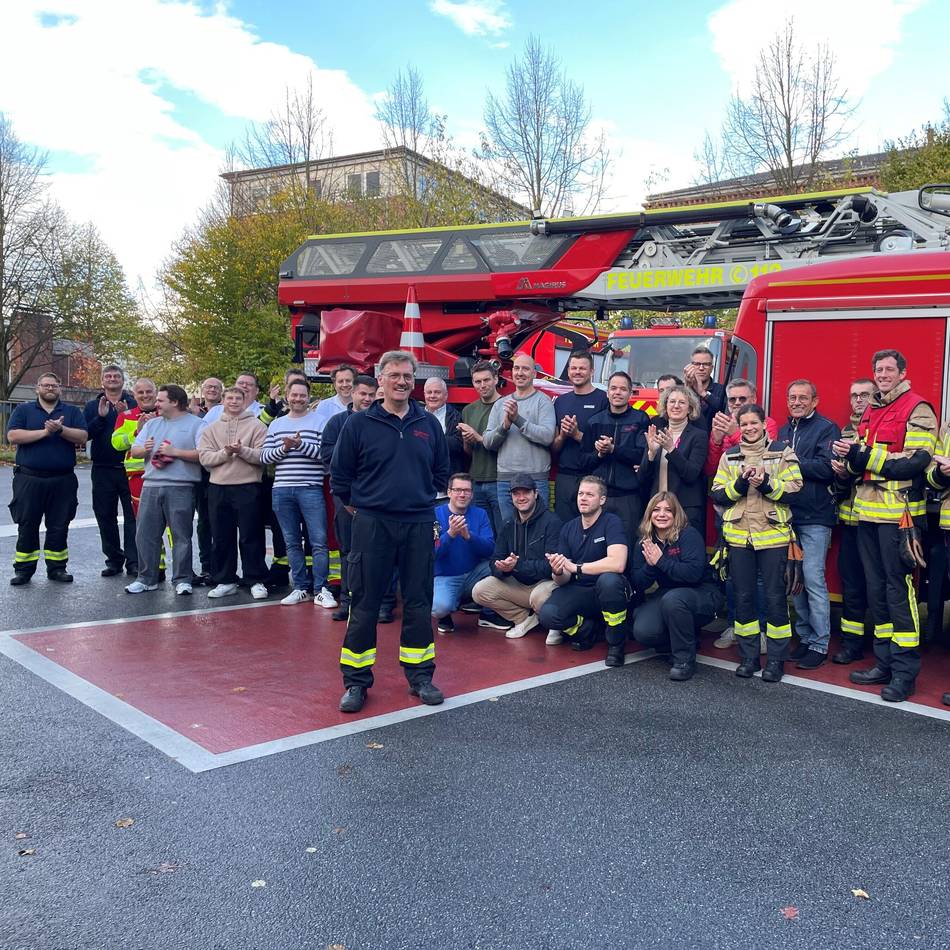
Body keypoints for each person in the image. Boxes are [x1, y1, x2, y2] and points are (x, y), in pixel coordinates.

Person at [331, 349, 450, 713]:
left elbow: (441, 474)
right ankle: (356, 682)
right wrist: (366, 508)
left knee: (418, 602)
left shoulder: (428, 424)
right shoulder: (358, 424)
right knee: (364, 603)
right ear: (380, 379)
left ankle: (420, 676)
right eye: (394, 375)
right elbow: (340, 478)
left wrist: (414, 499)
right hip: (373, 524)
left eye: (407, 376)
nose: (401, 382)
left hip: (417, 523)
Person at [834, 349, 937, 703]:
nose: (883, 375)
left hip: (898, 519)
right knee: (876, 592)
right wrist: (847, 463)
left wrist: (862, 457)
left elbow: (915, 462)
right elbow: (861, 462)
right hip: (866, 516)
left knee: (899, 593)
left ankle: (905, 673)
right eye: (878, 370)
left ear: (902, 373)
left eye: (889, 369)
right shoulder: (871, 410)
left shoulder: (917, 408)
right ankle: (884, 663)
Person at [710, 404, 802, 682]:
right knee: (743, 598)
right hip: (739, 538)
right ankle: (749, 657)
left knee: (775, 599)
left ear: (764, 424)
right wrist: (739, 483)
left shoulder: (782, 452)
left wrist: (766, 483)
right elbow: (717, 493)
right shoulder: (729, 456)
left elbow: (795, 490)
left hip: (773, 538)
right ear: (739, 428)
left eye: (754, 423)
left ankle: (776, 660)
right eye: (744, 424)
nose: (749, 428)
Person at [707, 378, 778, 651]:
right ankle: (735, 626)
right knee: (731, 572)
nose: (736, 404)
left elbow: (762, 457)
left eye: (742, 399)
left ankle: (761, 629)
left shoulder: (765, 423)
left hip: (760, 516)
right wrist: (716, 441)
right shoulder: (724, 425)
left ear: (754, 398)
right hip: (729, 513)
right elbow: (711, 469)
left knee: (758, 578)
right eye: (732, 400)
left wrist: (735, 432)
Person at [775, 379, 840, 669]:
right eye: (792, 397)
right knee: (796, 580)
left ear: (815, 401)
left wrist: (791, 462)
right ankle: (804, 636)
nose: (797, 402)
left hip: (816, 517)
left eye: (803, 397)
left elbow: (827, 469)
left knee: (813, 578)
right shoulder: (784, 431)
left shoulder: (827, 428)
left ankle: (819, 643)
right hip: (789, 517)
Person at [320, 374, 393, 622]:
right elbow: (328, 455)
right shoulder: (336, 423)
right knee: (349, 551)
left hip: (379, 496)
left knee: (382, 550)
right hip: (346, 496)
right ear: (352, 393)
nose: (367, 399)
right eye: (363, 393)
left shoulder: (385, 421)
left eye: (372, 395)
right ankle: (348, 602)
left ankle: (384, 603)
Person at [538, 476, 630, 667]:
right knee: (548, 615)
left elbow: (618, 563)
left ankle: (616, 643)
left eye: (589, 494)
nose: (583, 498)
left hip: (609, 590)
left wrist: (578, 568)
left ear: (602, 500)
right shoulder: (568, 527)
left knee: (609, 581)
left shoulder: (612, 522)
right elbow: (563, 579)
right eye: (581, 494)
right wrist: (558, 571)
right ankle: (587, 630)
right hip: (581, 589)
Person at [630, 492, 723, 680]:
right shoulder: (644, 541)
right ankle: (685, 638)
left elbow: (693, 574)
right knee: (643, 631)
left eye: (668, 510)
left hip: (702, 593)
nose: (661, 514)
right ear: (649, 514)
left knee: (674, 600)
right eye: (656, 510)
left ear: (676, 514)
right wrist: (651, 565)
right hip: (668, 595)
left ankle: (684, 660)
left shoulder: (688, 534)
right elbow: (638, 582)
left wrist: (661, 561)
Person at [260, 380, 336, 609]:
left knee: (319, 542)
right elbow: (265, 457)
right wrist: (285, 448)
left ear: (308, 397)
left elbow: (325, 456)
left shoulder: (320, 422)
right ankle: (300, 587)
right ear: (287, 396)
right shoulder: (276, 424)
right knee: (291, 542)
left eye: (302, 395)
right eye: (294, 395)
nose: (298, 399)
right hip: (281, 489)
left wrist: (300, 445)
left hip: (311, 487)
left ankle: (321, 589)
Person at [8, 373, 87, 585]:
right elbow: (13, 436)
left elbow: (82, 437)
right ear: (37, 388)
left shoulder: (71, 412)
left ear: (60, 388)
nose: (50, 388)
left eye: (54, 385)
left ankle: (57, 568)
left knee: (59, 525)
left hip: (63, 479)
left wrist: (60, 429)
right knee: (27, 524)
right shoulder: (23, 410)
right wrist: (44, 432)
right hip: (29, 478)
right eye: (45, 385)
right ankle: (24, 570)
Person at [127, 384, 203, 595]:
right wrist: (144, 449)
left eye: (160, 400)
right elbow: (135, 449)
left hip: (181, 486)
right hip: (151, 485)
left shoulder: (197, 424)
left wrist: (175, 452)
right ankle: (146, 579)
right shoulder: (152, 424)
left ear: (175, 402)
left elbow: (203, 454)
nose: (156, 403)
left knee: (181, 535)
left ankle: (182, 579)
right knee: (146, 535)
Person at [197, 386, 269, 600]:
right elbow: (205, 458)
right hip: (219, 487)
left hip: (248, 486)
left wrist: (242, 451)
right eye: (230, 398)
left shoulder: (257, 426)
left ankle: (255, 579)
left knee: (251, 535)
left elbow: (262, 456)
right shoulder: (211, 429)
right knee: (221, 536)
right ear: (223, 401)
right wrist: (226, 453)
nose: (234, 401)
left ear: (245, 400)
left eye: (238, 398)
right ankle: (225, 580)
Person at [472, 474, 562, 641]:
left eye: (526, 492)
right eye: (516, 493)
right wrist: (502, 568)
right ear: (511, 497)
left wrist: (517, 566)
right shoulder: (508, 524)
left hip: (545, 584)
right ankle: (523, 619)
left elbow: (551, 567)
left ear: (536, 493)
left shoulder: (552, 522)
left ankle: (553, 624)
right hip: (518, 584)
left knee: (539, 597)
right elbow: (495, 559)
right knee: (480, 590)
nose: (521, 498)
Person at [830, 378, 874, 664]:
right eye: (854, 395)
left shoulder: (878, 430)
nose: (858, 400)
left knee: (879, 587)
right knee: (852, 585)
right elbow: (840, 483)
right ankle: (851, 643)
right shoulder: (846, 432)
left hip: (877, 521)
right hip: (850, 522)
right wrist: (842, 476)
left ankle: (882, 647)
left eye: (864, 395)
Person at [483, 352, 556, 523]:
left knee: (538, 529)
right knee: (509, 530)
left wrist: (518, 419)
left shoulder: (543, 402)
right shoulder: (500, 404)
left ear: (534, 374)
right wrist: (504, 427)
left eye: (525, 369)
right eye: (516, 368)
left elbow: (547, 436)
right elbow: (487, 442)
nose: (520, 373)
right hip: (505, 481)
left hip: (535, 479)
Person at [579, 371, 649, 540]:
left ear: (630, 394)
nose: (618, 392)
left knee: (627, 543)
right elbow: (583, 462)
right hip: (599, 497)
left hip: (628, 497)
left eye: (623, 389)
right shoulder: (594, 421)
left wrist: (613, 449)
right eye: (614, 388)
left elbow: (642, 456)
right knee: (597, 545)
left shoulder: (641, 419)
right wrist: (599, 454)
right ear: (607, 392)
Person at [83, 365, 138, 578]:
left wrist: (124, 415)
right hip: (102, 469)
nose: (112, 379)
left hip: (129, 469)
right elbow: (86, 435)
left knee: (133, 517)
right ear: (102, 381)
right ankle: (114, 560)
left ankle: (134, 561)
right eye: (108, 376)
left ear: (123, 381)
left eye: (116, 376)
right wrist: (101, 417)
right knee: (105, 516)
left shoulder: (134, 403)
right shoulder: (92, 406)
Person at [641, 385, 709, 535]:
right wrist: (651, 454)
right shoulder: (656, 434)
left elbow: (691, 474)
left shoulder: (699, 436)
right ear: (665, 406)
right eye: (672, 402)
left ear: (690, 409)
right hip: (658, 508)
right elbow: (642, 478)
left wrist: (671, 450)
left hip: (685, 507)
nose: (676, 406)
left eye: (682, 402)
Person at [431, 472, 494, 632]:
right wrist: (450, 534)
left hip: (474, 574)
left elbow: (490, 548)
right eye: (457, 490)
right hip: (446, 576)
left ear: (472, 494)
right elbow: (432, 552)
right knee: (439, 608)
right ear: (449, 492)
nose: (462, 494)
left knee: (497, 566)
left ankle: (488, 613)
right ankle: (447, 613)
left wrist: (469, 537)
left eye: (466, 490)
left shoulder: (480, 514)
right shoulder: (435, 515)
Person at [551, 350, 609, 523]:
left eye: (582, 368)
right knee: (564, 527)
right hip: (565, 476)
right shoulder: (560, 402)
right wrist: (563, 436)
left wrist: (577, 435)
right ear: (568, 371)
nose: (577, 372)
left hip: (592, 476)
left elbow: (605, 445)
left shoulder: (603, 400)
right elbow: (554, 447)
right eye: (573, 368)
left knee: (592, 526)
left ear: (592, 371)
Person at [458, 361, 503, 535]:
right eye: (478, 381)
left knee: (503, 534)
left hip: (500, 480)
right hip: (476, 480)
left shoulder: (506, 406)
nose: (482, 385)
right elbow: (469, 452)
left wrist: (477, 437)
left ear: (496, 379)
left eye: (486, 380)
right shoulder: (468, 410)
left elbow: (508, 446)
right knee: (482, 534)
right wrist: (467, 441)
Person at [193, 377, 223, 583]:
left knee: (221, 522)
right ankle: (207, 566)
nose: (212, 390)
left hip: (221, 471)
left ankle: (222, 567)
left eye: (216, 387)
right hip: (200, 474)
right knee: (204, 521)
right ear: (202, 390)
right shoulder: (193, 412)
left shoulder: (225, 410)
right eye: (208, 387)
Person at [424, 377, 464, 485]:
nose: (432, 396)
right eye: (429, 392)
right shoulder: (414, 416)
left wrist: (428, 439)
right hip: (421, 480)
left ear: (446, 395)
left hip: (446, 481)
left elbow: (458, 444)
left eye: (437, 392)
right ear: (424, 394)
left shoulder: (457, 416)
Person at [683, 344, 726, 428]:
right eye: (697, 364)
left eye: (706, 364)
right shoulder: (683, 388)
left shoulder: (721, 390)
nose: (701, 368)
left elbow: (723, 409)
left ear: (712, 368)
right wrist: (687, 387)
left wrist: (703, 393)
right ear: (690, 366)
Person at [312, 364, 355, 431]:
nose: (345, 385)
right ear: (334, 385)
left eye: (348, 381)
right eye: (340, 381)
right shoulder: (324, 406)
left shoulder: (363, 404)